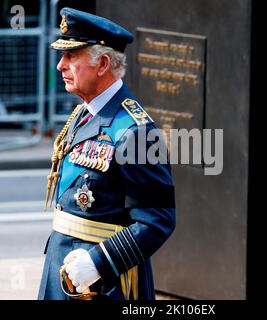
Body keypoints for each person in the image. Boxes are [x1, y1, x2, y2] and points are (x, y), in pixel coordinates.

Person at [38, 7, 176, 300]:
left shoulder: (136, 132)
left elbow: (157, 219)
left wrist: (97, 263)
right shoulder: (82, 114)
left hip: (101, 283)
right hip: (64, 270)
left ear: (102, 64)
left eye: (71, 56)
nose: (61, 66)